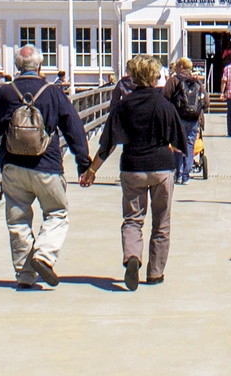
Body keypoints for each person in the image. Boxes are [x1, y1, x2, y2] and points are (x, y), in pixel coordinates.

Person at [0, 44, 92, 289]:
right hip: (47, 164)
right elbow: (73, 127)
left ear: (16, 66)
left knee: (18, 221)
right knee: (56, 212)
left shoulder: (5, 92)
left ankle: (25, 275)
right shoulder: (52, 92)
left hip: (13, 166)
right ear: (40, 66)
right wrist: (83, 161)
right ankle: (44, 255)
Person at [81, 56, 188, 290]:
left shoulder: (123, 106)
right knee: (161, 223)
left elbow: (108, 144)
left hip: (132, 168)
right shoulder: (164, 105)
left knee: (132, 220)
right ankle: (155, 273)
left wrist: (91, 170)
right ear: (153, 77)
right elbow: (179, 142)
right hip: (161, 167)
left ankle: (132, 256)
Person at [163, 58, 204, 183]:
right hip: (193, 118)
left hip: (178, 117)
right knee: (190, 144)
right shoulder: (197, 82)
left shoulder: (174, 81)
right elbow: (206, 101)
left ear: (181, 66)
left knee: (177, 144)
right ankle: (186, 174)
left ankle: (178, 173)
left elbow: (164, 97)